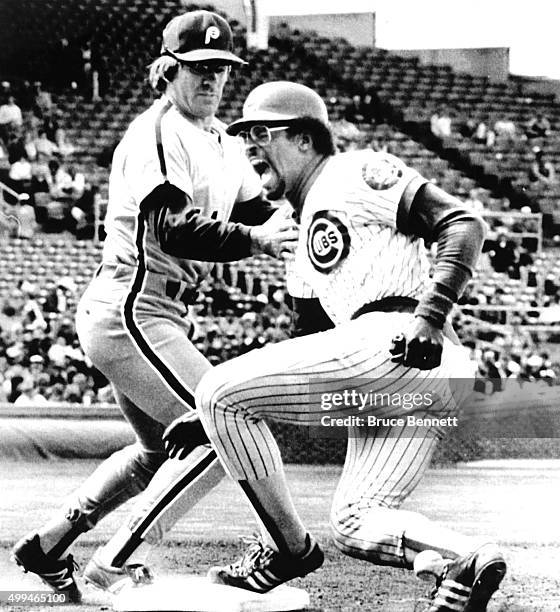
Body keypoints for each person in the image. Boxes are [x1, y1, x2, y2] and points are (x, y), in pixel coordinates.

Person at [166, 81, 506, 611]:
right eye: (244, 137)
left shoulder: (350, 171)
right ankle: (466, 558)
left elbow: (463, 222)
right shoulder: (298, 232)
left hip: (403, 335)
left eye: (262, 132)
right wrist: (217, 410)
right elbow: (308, 346)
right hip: (412, 373)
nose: (250, 145)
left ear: (306, 140)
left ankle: (285, 553)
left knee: (218, 389)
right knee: (355, 521)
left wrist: (430, 315)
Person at [11, 11, 298, 602]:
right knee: (223, 431)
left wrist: (304, 214)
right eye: (199, 68)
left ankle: (47, 546)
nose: (213, 79)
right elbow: (172, 227)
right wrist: (259, 240)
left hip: (149, 312)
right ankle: (115, 562)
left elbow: (253, 213)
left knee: (153, 454)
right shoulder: (158, 131)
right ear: (169, 71)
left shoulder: (220, 138)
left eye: (222, 68)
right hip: (131, 308)